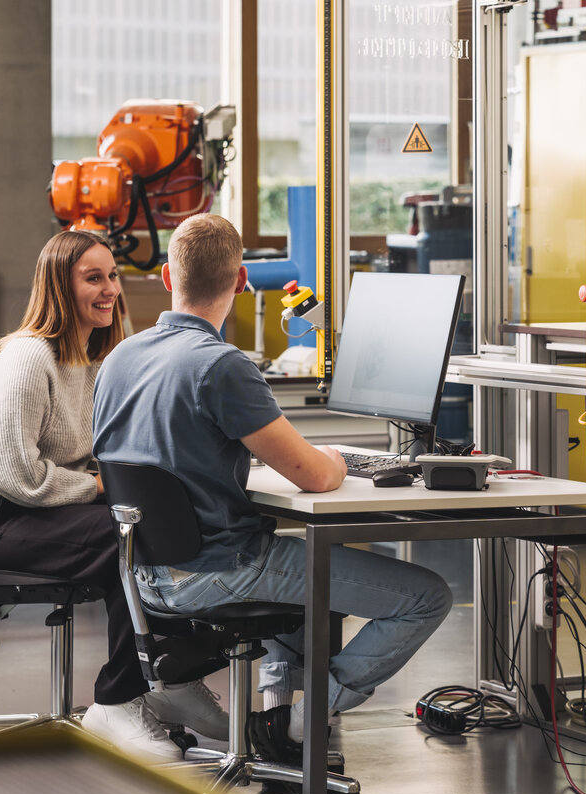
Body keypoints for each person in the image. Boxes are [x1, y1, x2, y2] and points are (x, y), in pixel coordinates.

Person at [92, 213, 452, 762]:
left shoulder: (120, 356)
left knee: (302, 572)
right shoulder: (221, 366)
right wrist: (336, 458)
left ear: (167, 277)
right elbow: (313, 475)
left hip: (141, 574)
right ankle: (307, 719)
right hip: (217, 570)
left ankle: (278, 721)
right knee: (426, 596)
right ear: (240, 282)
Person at [0, 229, 227, 761]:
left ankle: (170, 682)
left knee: (169, 522)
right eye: (92, 278)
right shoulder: (30, 359)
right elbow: (16, 475)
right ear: (60, 286)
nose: (109, 290)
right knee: (128, 532)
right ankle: (118, 700)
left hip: (51, 511)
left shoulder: (94, 357)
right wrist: (99, 486)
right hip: (3, 523)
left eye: (112, 276)